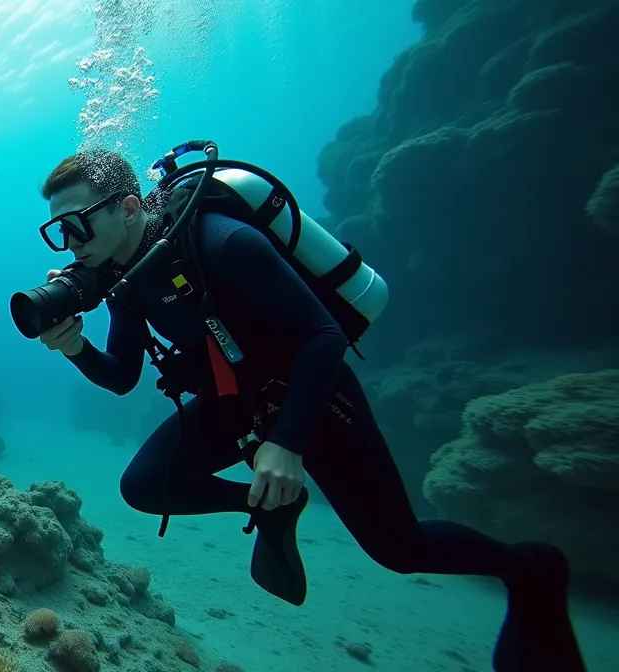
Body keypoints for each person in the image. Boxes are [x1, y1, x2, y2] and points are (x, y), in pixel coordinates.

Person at [32, 148, 585, 672]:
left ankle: (533, 568)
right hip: (235, 402)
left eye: (77, 223)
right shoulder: (124, 279)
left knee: (399, 547)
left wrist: (287, 442)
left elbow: (322, 335)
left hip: (311, 394)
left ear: (129, 209)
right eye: (58, 230)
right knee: (146, 486)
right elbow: (124, 377)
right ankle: (271, 507)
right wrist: (76, 348)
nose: (69, 243)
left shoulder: (221, 241)